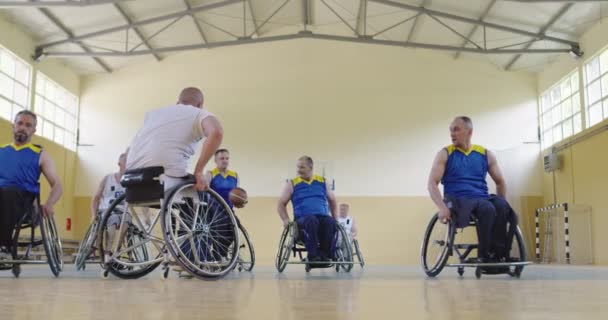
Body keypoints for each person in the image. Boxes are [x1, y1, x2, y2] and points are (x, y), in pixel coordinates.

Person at [427, 116, 517, 263]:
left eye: (456, 129)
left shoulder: (485, 154)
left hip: (481, 197)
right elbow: (432, 183)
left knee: (502, 206)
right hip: (457, 198)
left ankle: (500, 254)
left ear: (469, 132)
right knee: (487, 208)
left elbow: (500, 182)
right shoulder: (445, 154)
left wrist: (503, 206)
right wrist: (442, 208)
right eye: (450, 130)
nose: (452, 134)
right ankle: (484, 255)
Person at [0, 110, 63, 260]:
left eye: (28, 125)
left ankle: (5, 248)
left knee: (8, 191)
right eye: (20, 123)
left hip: (24, 204)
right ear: (13, 125)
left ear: (33, 130)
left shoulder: (40, 154)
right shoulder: (2, 151)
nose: (23, 127)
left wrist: (49, 203)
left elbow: (58, 185)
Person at [277, 156, 338, 263]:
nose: (298, 170)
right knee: (311, 220)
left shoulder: (322, 181)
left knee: (330, 221)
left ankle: (326, 255)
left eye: (302, 167)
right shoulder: (292, 183)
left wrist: (335, 218)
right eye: (298, 167)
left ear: (310, 167)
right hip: (302, 220)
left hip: (322, 217)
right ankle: (313, 256)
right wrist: (285, 219)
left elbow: (332, 201)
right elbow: (281, 204)